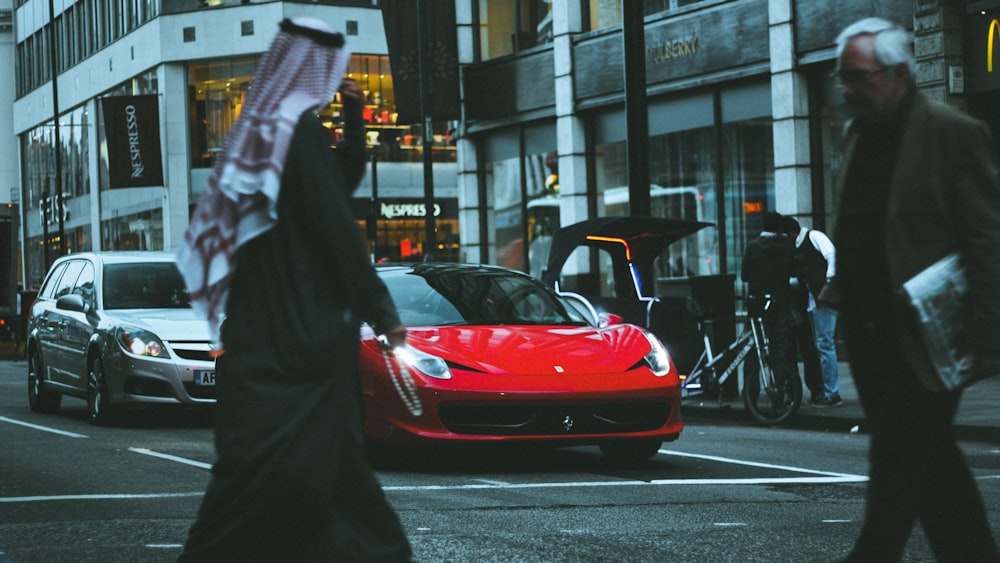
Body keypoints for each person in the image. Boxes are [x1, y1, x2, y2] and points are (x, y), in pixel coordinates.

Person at [175, 18, 412, 561]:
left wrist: (352, 119)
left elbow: (331, 188)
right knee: (310, 473)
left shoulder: (261, 129)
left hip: (264, 338)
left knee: (266, 476)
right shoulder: (293, 130)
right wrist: (383, 312)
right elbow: (334, 222)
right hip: (299, 344)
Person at [832, 18, 1000, 561]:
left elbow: (988, 242)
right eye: (844, 77)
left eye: (857, 76)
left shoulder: (953, 133)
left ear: (897, 73)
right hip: (868, 332)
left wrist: (987, 337)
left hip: (930, 337)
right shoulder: (856, 134)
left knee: (896, 461)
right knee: (931, 465)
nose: (847, 88)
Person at [782, 216, 841, 408]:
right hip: (815, 301)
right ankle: (828, 391)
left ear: (791, 233)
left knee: (825, 344)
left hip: (823, 299)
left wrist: (829, 281)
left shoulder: (813, 236)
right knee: (823, 344)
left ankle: (832, 394)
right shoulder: (800, 247)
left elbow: (831, 254)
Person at [740, 211, 797, 400]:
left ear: (763, 226)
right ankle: (779, 390)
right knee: (779, 350)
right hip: (780, 302)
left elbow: (745, 276)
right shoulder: (788, 247)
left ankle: (751, 392)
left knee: (754, 347)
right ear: (779, 228)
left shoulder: (753, 247)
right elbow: (792, 273)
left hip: (758, 304)